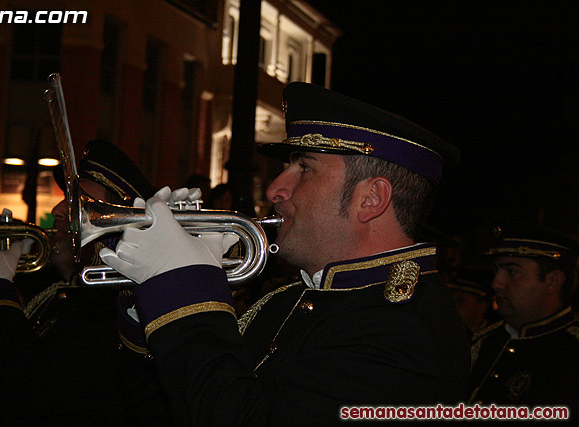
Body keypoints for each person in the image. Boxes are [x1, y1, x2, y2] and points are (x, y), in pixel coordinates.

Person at [100, 82, 471, 425]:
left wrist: (182, 287)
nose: (277, 188)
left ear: (371, 199)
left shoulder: (405, 330)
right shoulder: (294, 298)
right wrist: (148, 298)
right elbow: (163, 409)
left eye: (304, 168)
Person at [0, 139, 170, 426]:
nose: (60, 210)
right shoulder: (55, 293)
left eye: (79, 203)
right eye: (66, 198)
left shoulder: (118, 308)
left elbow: (31, 389)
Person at [467, 218, 579, 424]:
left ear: (553, 282)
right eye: (496, 271)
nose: (496, 283)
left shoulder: (572, 351)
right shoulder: (486, 342)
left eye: (512, 272)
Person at [448, 267, 500, 337]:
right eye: (450, 299)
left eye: (461, 301)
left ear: (482, 305)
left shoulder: (496, 338)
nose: (452, 305)